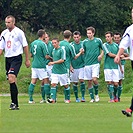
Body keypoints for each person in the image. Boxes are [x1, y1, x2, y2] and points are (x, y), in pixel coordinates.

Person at [0, 15, 30, 110]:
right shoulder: (4, 33)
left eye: (9, 22)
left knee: (11, 77)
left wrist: (27, 59)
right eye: (6, 22)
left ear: (13, 22)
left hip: (16, 58)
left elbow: (25, 45)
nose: (7, 24)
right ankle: (15, 104)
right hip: (7, 58)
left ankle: (14, 103)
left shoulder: (19, 32)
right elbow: (1, 48)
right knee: (11, 80)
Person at [114, 7, 133, 117]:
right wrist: (118, 55)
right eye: (132, 12)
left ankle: (131, 109)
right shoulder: (130, 29)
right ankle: (131, 109)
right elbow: (124, 44)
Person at [28, 29, 52, 104]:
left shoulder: (33, 43)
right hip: (41, 65)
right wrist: (52, 59)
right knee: (46, 80)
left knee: (33, 81)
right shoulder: (43, 44)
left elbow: (31, 54)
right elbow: (46, 56)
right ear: (43, 35)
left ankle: (31, 99)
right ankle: (48, 98)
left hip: (34, 65)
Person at [83, 27, 103, 102]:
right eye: (87, 33)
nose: (88, 35)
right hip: (87, 63)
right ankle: (92, 97)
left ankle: (96, 94)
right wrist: (82, 51)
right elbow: (84, 51)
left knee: (94, 79)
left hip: (95, 63)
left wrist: (101, 55)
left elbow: (103, 49)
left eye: (90, 33)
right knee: (89, 81)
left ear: (93, 33)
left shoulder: (98, 40)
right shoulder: (84, 42)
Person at [48, 38, 70, 103]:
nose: (54, 44)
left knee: (65, 85)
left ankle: (67, 98)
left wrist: (53, 62)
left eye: (55, 43)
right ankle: (53, 99)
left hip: (62, 71)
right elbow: (54, 58)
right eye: (53, 43)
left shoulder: (62, 50)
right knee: (53, 84)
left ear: (58, 43)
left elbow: (62, 60)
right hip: (55, 71)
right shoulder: (53, 50)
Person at [103, 31, 122, 102]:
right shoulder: (105, 45)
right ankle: (111, 98)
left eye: (108, 37)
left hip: (115, 67)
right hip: (107, 67)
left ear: (111, 37)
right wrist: (118, 56)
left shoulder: (116, 46)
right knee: (109, 82)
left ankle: (115, 96)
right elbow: (110, 54)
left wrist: (120, 67)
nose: (107, 38)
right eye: (106, 37)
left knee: (116, 84)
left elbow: (118, 58)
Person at [70, 31, 85, 102]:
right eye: (75, 37)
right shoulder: (71, 45)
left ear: (80, 37)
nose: (76, 39)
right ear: (73, 37)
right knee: (75, 82)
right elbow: (69, 57)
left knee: (81, 80)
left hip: (82, 66)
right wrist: (70, 66)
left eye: (77, 37)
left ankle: (83, 97)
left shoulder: (83, 44)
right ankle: (76, 98)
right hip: (74, 66)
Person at [114, 32, 129, 102]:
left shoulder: (123, 46)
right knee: (114, 82)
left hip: (121, 64)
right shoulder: (113, 45)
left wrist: (122, 54)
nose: (116, 39)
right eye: (115, 38)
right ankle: (114, 96)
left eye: (118, 38)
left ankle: (118, 96)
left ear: (120, 38)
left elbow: (127, 54)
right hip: (114, 65)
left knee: (120, 81)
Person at [39, 33, 54, 103]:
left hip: (51, 65)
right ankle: (43, 98)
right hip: (43, 65)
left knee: (52, 81)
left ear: (49, 38)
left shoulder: (52, 44)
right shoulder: (41, 45)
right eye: (44, 37)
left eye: (47, 37)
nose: (45, 39)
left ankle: (52, 97)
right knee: (43, 81)